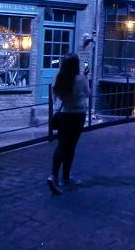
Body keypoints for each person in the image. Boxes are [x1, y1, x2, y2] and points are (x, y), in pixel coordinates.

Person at [47, 53, 90, 195]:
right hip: (77, 115)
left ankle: (58, 175)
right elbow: (87, 93)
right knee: (70, 146)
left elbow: (55, 95)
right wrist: (86, 78)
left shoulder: (59, 77)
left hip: (63, 115)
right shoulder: (80, 79)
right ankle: (60, 176)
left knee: (62, 144)